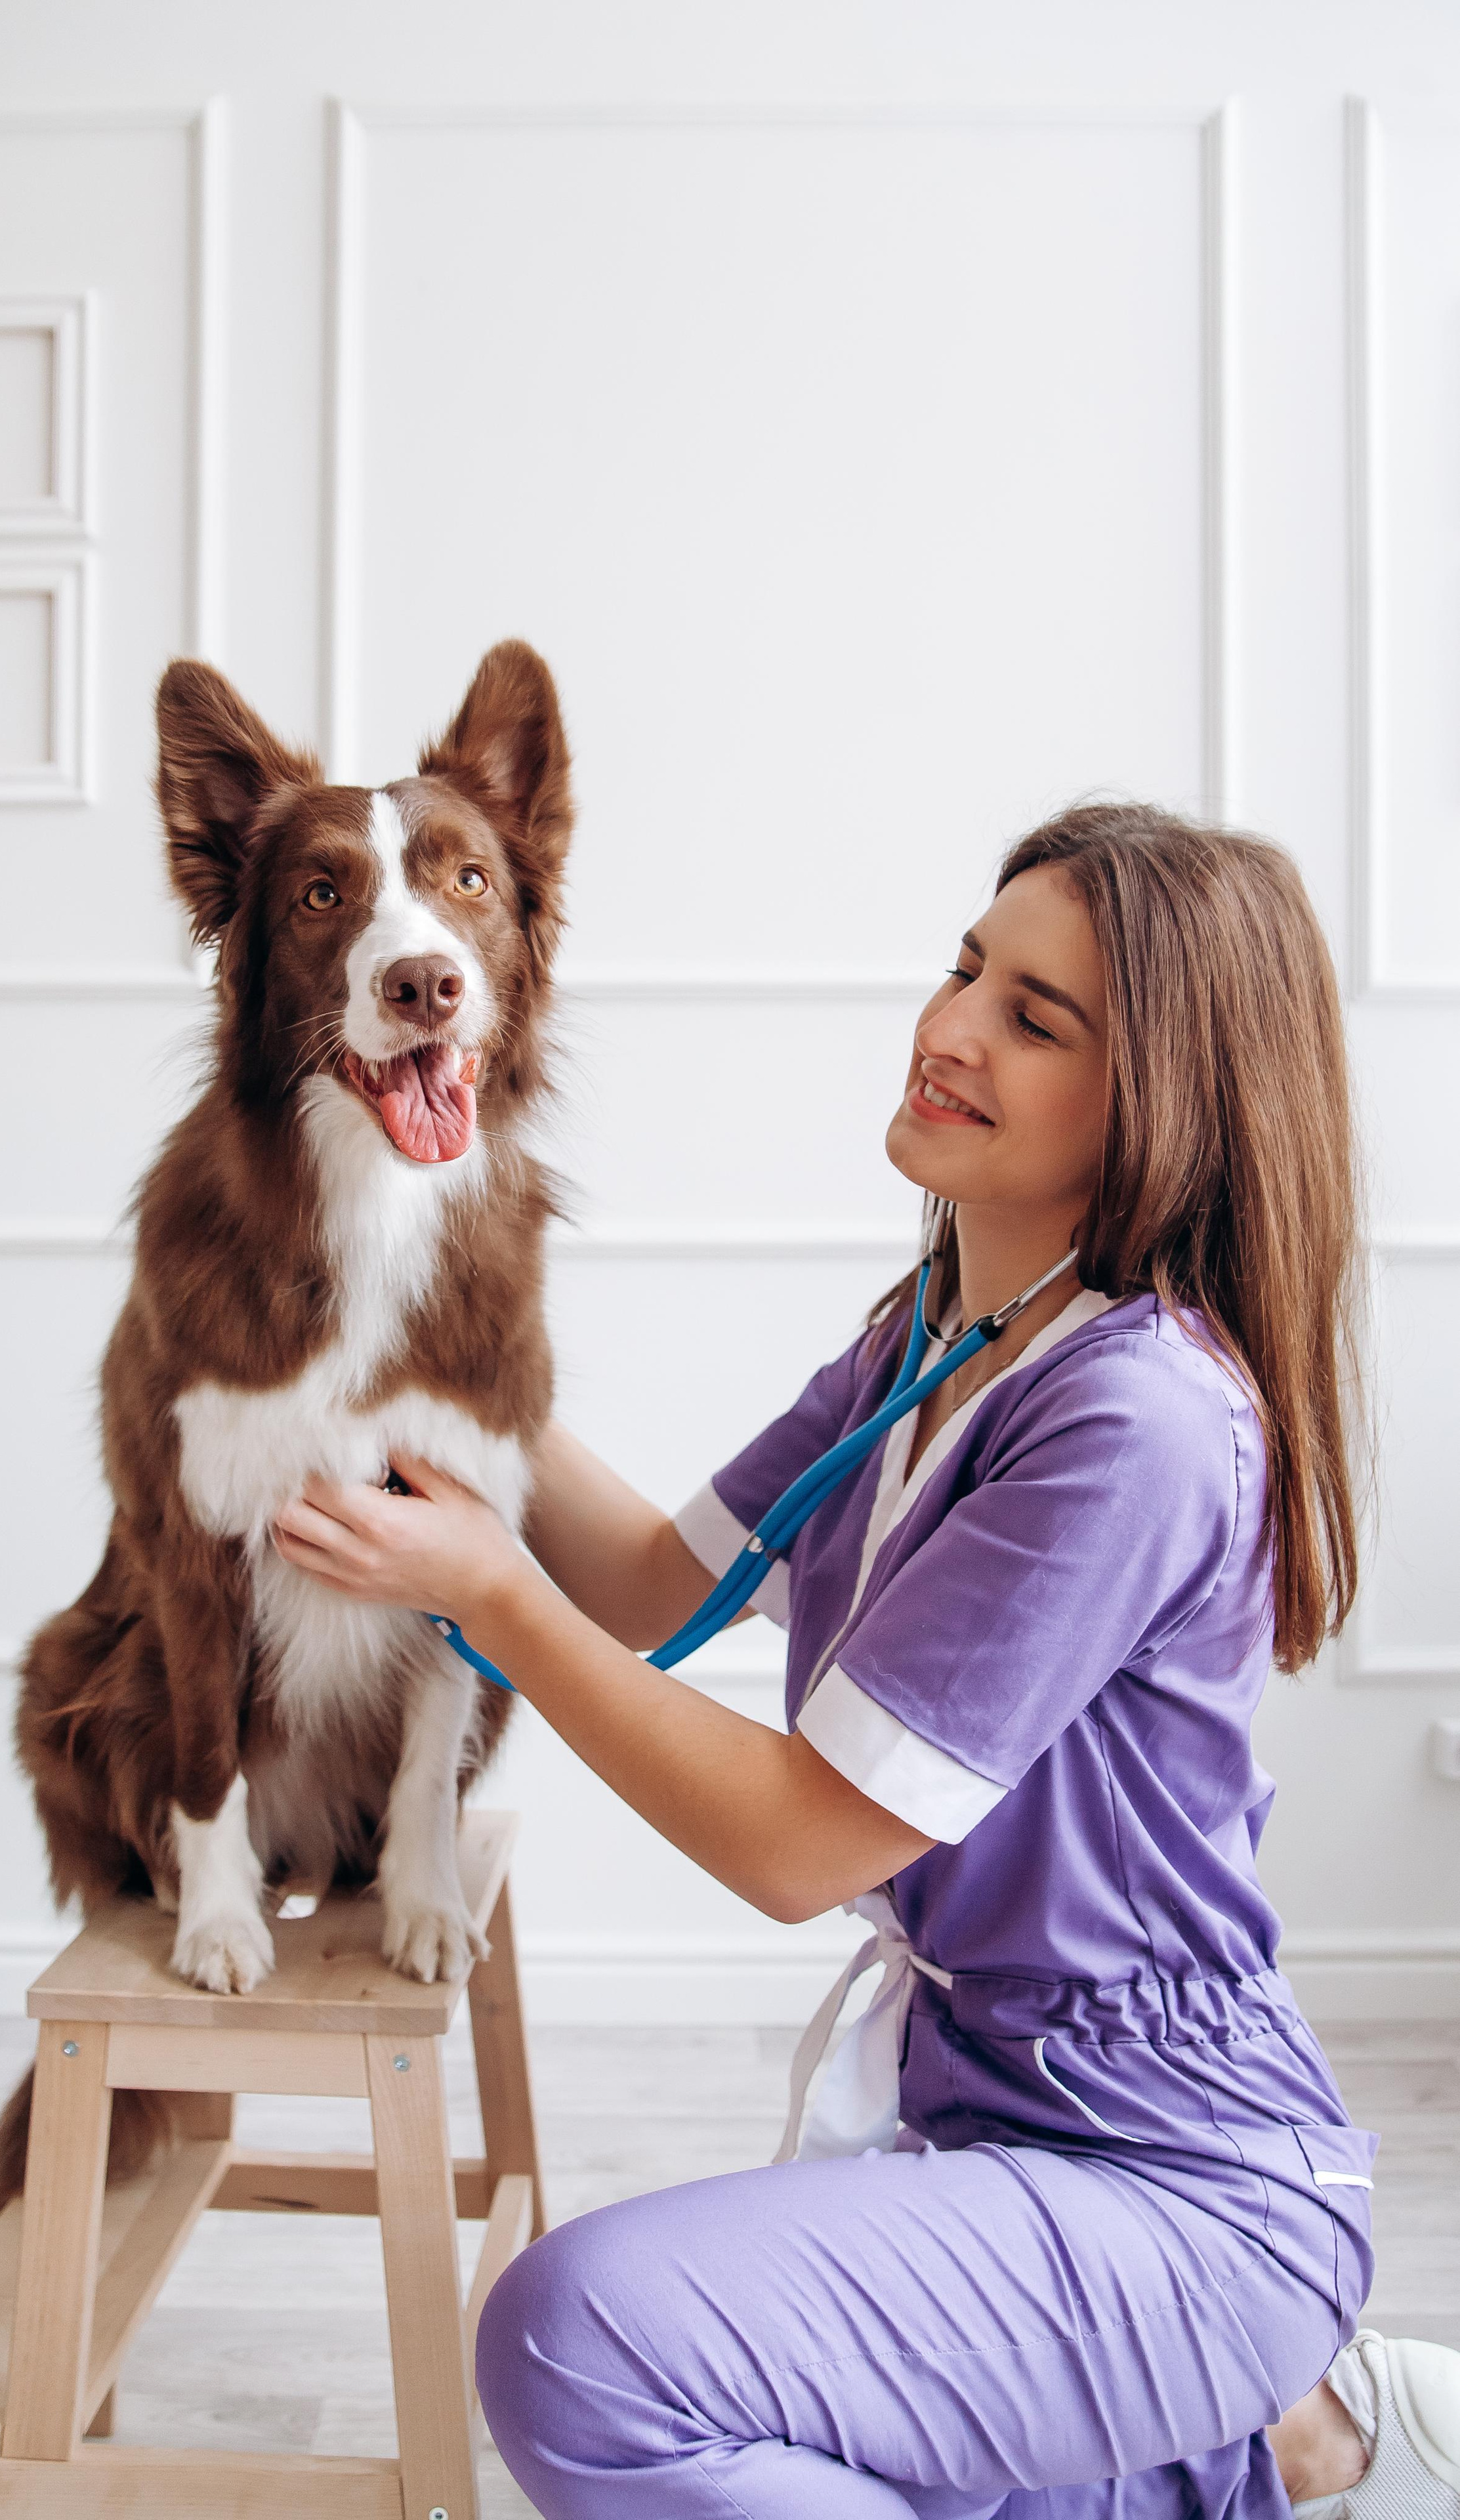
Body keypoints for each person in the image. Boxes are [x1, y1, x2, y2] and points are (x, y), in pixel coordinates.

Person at [272, 805, 1460, 2519]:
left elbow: (799, 1841)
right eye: (967, 968)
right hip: (992, 2115)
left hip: (1175, 2176)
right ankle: (1281, 2454)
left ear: (1166, 1098)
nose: (949, 1028)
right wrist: (436, 1371)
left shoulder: (1134, 1419)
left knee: (575, 2348)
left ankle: (1258, 2410)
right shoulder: (933, 1339)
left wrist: (491, 1592)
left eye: (1033, 1018)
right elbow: (648, 1581)